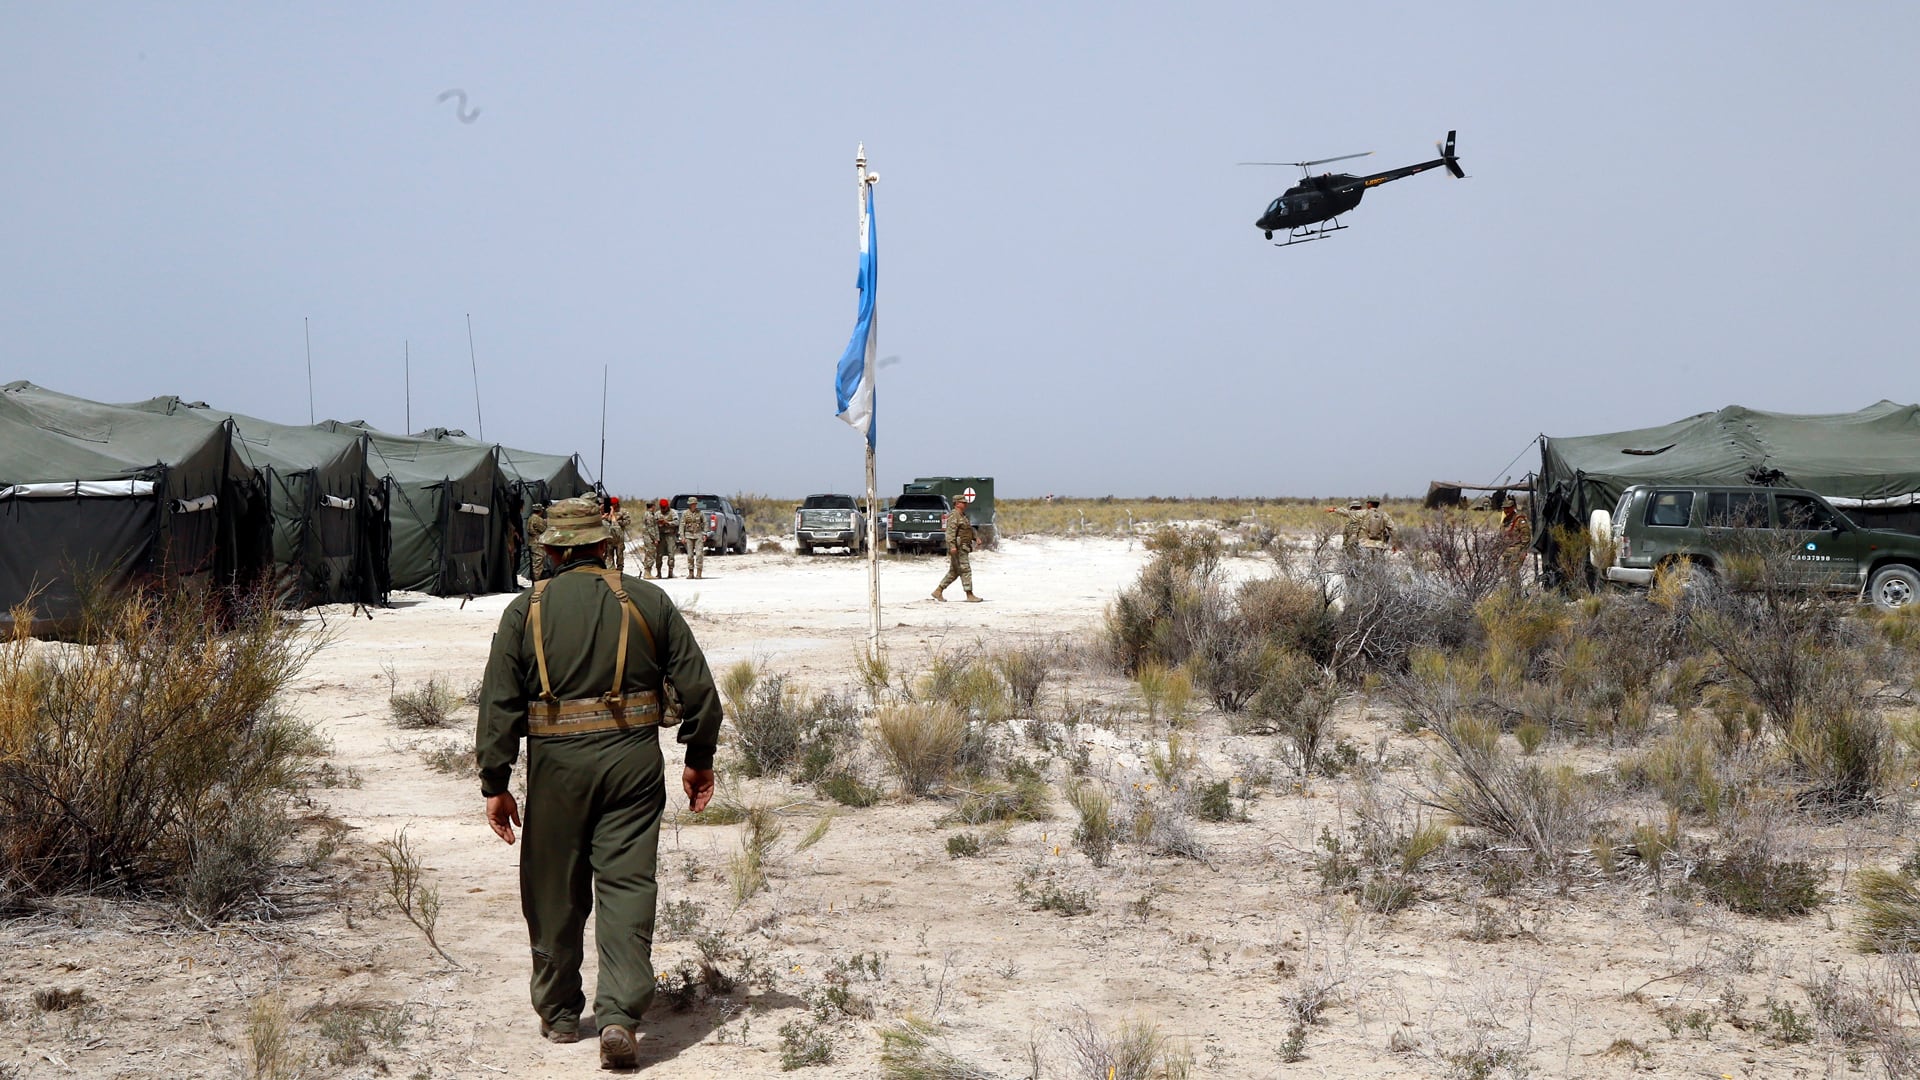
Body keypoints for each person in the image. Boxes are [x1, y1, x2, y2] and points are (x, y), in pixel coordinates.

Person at [477, 497, 722, 1069]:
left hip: (556, 770)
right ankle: (620, 1016)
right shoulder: (648, 600)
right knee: (628, 887)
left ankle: (561, 1015)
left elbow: (499, 705)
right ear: (605, 543)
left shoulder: (525, 611)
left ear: (553, 549)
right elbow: (700, 692)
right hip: (633, 765)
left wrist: (496, 781)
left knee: (554, 888)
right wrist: (698, 757)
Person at [932, 489, 983, 602]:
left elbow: (968, 529)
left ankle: (938, 591)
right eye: (963, 502)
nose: (966, 504)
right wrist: (952, 546)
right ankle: (969, 595)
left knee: (954, 572)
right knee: (965, 570)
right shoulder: (953, 516)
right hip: (959, 547)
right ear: (957, 503)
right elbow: (950, 533)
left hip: (964, 547)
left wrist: (975, 537)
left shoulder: (962, 516)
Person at [679, 497, 708, 580]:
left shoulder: (700, 513)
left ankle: (699, 573)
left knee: (699, 554)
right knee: (690, 555)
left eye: (694, 504)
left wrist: (705, 534)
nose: (693, 505)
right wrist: (682, 536)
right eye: (691, 504)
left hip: (698, 535)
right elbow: (682, 525)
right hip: (688, 535)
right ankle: (690, 573)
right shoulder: (685, 513)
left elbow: (705, 523)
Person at [634, 498, 659, 579]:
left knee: (648, 554)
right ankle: (647, 573)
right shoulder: (649, 515)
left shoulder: (648, 514)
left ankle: (647, 572)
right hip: (649, 538)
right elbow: (651, 528)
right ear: (652, 506)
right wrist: (655, 538)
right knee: (650, 554)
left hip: (647, 537)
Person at [526, 504, 549, 582]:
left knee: (534, 563)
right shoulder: (537, 519)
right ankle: (537, 581)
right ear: (540, 510)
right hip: (537, 544)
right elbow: (544, 529)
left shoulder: (530, 518)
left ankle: (534, 581)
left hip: (532, 543)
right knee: (538, 564)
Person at [654, 498, 675, 579]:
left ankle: (670, 572)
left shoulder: (672, 513)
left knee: (671, 553)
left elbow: (677, 522)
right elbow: (653, 524)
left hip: (670, 535)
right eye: (662, 508)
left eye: (664, 508)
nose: (663, 509)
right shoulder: (657, 514)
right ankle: (658, 572)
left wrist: (667, 523)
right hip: (660, 536)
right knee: (659, 555)